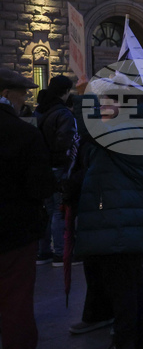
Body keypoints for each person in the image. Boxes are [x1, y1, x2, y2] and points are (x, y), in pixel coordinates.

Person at [72, 78, 143, 349]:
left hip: (121, 219)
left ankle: (124, 346)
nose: (103, 107)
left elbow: (88, 129)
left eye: (109, 102)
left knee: (123, 287)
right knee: (133, 282)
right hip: (123, 218)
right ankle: (142, 340)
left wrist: (83, 96)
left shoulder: (124, 129)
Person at [0, 69, 56, 349]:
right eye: (23, 94)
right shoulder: (22, 133)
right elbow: (40, 187)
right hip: (13, 232)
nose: (26, 101)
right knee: (15, 300)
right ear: (8, 93)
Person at [34, 75, 78, 266]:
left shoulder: (41, 110)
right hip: (59, 168)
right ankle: (61, 253)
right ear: (66, 91)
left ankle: (43, 252)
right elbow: (65, 142)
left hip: (42, 166)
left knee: (48, 210)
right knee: (59, 211)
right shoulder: (63, 114)